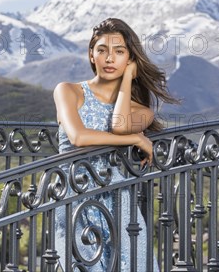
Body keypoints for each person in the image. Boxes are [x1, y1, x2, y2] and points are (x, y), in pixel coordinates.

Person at [52, 18, 178, 271]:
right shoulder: (68, 91)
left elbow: (119, 125)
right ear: (91, 55)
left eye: (119, 52)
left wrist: (128, 80)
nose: (110, 58)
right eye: (102, 50)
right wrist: (134, 138)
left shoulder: (142, 111)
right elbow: (78, 137)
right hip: (75, 200)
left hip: (119, 202)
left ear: (130, 59)